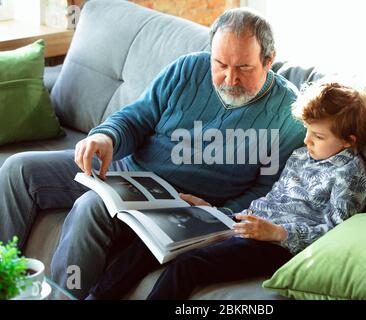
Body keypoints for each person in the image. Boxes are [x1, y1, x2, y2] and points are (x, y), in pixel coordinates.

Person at [0, 8, 305, 299]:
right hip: (124, 170)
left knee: (91, 206)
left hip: (177, 204)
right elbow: (138, 116)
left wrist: (215, 213)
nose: (229, 78)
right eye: (220, 64)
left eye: (243, 68)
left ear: (269, 60)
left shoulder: (287, 114)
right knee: (18, 170)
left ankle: (65, 296)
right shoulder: (188, 69)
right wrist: (107, 137)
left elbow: (268, 192)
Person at [85, 80, 366, 300]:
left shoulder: (350, 176)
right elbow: (271, 199)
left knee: (188, 265)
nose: (306, 141)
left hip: (277, 247)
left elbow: (336, 235)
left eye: (317, 136)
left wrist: (278, 233)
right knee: (156, 243)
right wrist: (217, 214)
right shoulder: (303, 156)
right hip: (245, 225)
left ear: (348, 140)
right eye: (307, 131)